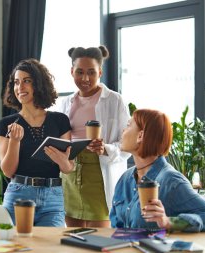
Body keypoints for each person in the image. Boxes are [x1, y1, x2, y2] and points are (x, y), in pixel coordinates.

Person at [110, 109, 205, 232]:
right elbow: (115, 227)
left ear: (140, 136)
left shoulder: (171, 181)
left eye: (128, 125)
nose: (123, 131)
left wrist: (168, 222)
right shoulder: (125, 179)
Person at [57, 46, 130, 227]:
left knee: (100, 236)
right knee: (72, 238)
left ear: (100, 73)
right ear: (71, 71)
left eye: (91, 72)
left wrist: (106, 148)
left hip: (100, 172)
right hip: (70, 173)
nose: (85, 78)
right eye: (79, 72)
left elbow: (127, 145)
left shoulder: (115, 100)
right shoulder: (65, 103)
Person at [0, 58, 74, 227]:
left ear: (39, 84)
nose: (20, 87)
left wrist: (62, 160)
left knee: (52, 247)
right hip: (18, 195)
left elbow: (69, 168)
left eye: (27, 81)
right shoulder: (6, 124)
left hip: (52, 198)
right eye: (16, 83)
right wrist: (15, 142)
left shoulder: (60, 120)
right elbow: (8, 171)